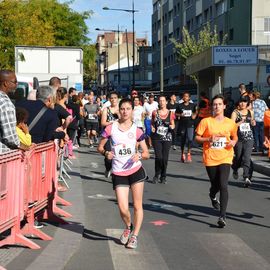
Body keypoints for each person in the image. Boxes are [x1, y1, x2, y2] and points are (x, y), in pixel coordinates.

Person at [97, 98, 149, 249]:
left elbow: (146, 153)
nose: (125, 111)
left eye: (128, 108)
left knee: (138, 205)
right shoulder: (111, 128)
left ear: (132, 110)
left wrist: (139, 155)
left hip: (135, 171)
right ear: (119, 110)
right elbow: (99, 147)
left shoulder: (137, 130)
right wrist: (106, 152)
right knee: (122, 207)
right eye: (123, 109)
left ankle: (134, 236)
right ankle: (128, 226)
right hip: (119, 171)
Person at [195, 94, 237, 228]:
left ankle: (222, 216)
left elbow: (235, 137)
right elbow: (197, 138)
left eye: (219, 104)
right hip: (210, 158)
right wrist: (208, 139)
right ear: (212, 106)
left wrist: (233, 142)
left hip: (226, 156)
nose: (217, 106)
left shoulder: (230, 123)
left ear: (224, 106)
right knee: (215, 184)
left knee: (223, 185)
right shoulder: (206, 122)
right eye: (215, 104)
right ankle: (212, 195)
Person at [231, 96, 255, 187]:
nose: (242, 104)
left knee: (247, 157)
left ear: (247, 103)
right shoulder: (235, 113)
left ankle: (246, 177)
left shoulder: (250, 112)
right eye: (241, 102)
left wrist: (253, 122)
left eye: (244, 102)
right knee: (238, 157)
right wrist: (239, 122)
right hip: (238, 139)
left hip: (249, 138)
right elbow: (231, 126)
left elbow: (252, 122)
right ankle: (235, 168)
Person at [151, 95, 175, 184]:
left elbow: (173, 124)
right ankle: (157, 174)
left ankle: (163, 175)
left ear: (166, 102)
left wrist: (172, 126)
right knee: (159, 157)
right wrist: (152, 127)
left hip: (167, 138)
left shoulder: (171, 113)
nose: (161, 102)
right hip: (157, 138)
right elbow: (152, 123)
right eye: (160, 101)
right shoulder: (154, 112)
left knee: (165, 159)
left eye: (163, 100)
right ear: (158, 102)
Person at [0, 70, 20, 153]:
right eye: (15, 82)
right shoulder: (5, 104)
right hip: (3, 155)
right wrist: (26, 147)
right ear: (6, 83)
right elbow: (10, 138)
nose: (17, 84)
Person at [101, 91, 120, 177]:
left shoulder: (121, 109)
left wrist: (119, 115)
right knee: (108, 155)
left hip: (119, 135)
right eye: (111, 98)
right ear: (109, 100)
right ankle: (108, 168)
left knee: (118, 155)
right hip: (108, 135)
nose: (113, 100)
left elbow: (126, 121)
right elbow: (103, 123)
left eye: (115, 98)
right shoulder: (106, 109)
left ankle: (117, 172)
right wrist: (112, 122)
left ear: (118, 99)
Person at [176, 92, 197, 163]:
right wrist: (180, 115)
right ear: (183, 98)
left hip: (190, 124)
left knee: (190, 139)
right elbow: (176, 113)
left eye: (187, 96)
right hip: (182, 125)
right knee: (183, 140)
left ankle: (188, 153)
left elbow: (195, 112)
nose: (185, 98)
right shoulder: (179, 106)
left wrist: (194, 115)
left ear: (189, 98)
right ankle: (182, 153)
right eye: (184, 96)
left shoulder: (192, 105)